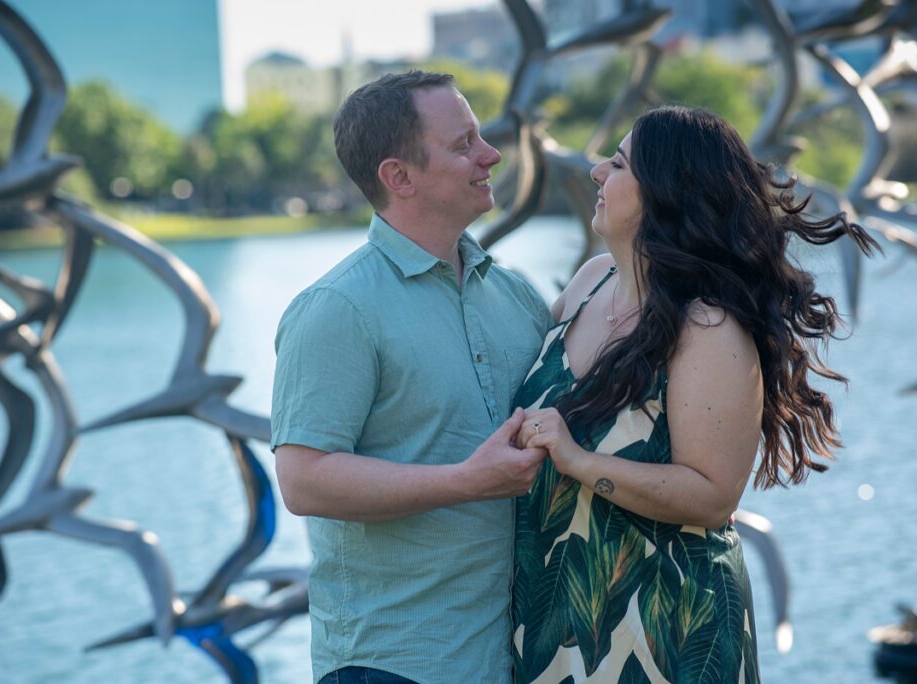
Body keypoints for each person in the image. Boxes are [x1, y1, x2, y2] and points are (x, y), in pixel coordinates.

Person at [510, 105, 878, 683]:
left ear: (665, 192)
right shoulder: (587, 283)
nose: (596, 175)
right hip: (558, 624)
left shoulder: (708, 328)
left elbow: (711, 497)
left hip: (669, 630)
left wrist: (579, 462)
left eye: (619, 164)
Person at [271, 70, 553, 684]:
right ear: (398, 177)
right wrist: (465, 481)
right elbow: (305, 481)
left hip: (512, 662)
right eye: (463, 145)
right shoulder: (336, 309)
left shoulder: (517, 297)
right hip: (393, 665)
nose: (491, 155)